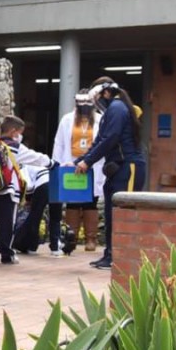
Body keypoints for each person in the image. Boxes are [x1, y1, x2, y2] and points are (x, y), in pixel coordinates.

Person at [75, 77, 146, 270]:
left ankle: (121, 257)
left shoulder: (117, 108)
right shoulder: (111, 111)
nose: (95, 101)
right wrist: (82, 160)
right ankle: (110, 255)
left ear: (106, 93)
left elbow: (111, 138)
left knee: (124, 213)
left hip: (128, 167)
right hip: (117, 169)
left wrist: (87, 161)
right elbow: (100, 140)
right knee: (111, 213)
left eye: (97, 96)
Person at [0, 116, 55, 265]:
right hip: (8, 191)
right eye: (20, 132)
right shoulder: (14, 147)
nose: (20, 136)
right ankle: (6, 254)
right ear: (13, 131)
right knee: (6, 223)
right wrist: (51, 162)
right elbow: (34, 157)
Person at [48, 90, 105, 256]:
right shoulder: (67, 120)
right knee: (72, 202)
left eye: (88, 104)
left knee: (90, 202)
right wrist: (56, 165)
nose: (85, 108)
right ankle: (71, 237)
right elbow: (58, 144)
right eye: (82, 105)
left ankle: (91, 239)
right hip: (71, 166)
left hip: (93, 167)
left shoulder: (101, 120)